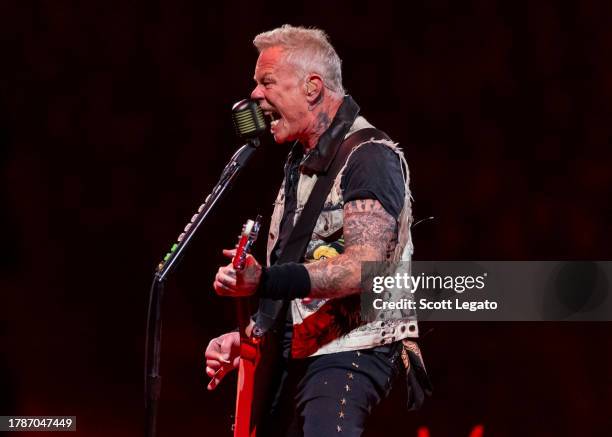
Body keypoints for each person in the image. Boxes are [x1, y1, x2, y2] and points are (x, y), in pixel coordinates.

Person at [205, 25, 428, 436]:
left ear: (311, 87)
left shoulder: (369, 156)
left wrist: (266, 279)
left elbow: (364, 268)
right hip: (304, 351)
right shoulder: (299, 164)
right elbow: (300, 281)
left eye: (266, 82)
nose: (254, 95)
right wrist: (252, 334)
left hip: (352, 350)